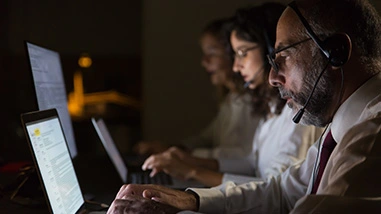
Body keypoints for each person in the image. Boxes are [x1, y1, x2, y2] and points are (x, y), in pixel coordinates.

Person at [107, 0, 381, 213]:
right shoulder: (341, 126)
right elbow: (283, 192)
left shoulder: (369, 139)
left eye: (283, 57)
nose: (273, 78)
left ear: (335, 52)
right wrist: (189, 200)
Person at [140, 3, 322, 188]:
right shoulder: (272, 108)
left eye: (243, 53)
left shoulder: (298, 114)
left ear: (270, 51)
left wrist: (193, 171)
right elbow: (252, 161)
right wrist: (190, 159)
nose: (236, 66)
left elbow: (275, 191)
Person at [134, 18, 260, 159]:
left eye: (212, 53)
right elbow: (207, 137)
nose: (204, 62)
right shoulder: (231, 99)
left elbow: (243, 156)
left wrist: (184, 154)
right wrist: (172, 148)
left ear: (232, 54)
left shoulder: (251, 102)